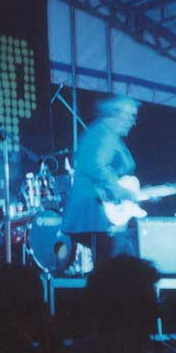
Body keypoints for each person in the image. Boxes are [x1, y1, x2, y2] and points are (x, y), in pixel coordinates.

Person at [61, 96, 142, 269]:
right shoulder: (101, 133)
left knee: (119, 268)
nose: (133, 122)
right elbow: (95, 166)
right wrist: (121, 191)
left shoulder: (108, 135)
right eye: (131, 116)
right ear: (116, 114)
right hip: (94, 214)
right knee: (113, 271)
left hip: (103, 216)